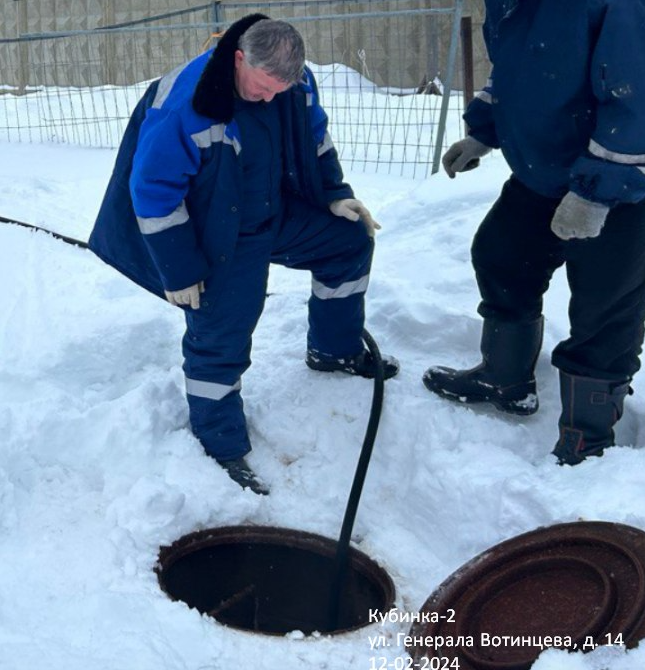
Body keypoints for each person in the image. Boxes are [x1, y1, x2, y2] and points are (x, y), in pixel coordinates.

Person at [89, 15, 398, 495]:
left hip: (275, 209)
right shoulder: (187, 104)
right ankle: (220, 444)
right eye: (261, 89)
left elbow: (316, 138)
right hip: (220, 231)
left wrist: (336, 193)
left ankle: (333, 350)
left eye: (281, 90)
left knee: (351, 239)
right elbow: (152, 192)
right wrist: (179, 268)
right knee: (222, 330)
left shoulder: (294, 83)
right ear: (238, 58)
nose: (271, 99)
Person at [424, 0, 645, 465]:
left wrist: (596, 191)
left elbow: (634, 95)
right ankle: (505, 378)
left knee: (604, 302)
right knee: (501, 254)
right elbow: (510, 71)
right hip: (547, 168)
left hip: (624, 180)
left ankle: (587, 437)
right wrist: (483, 132)